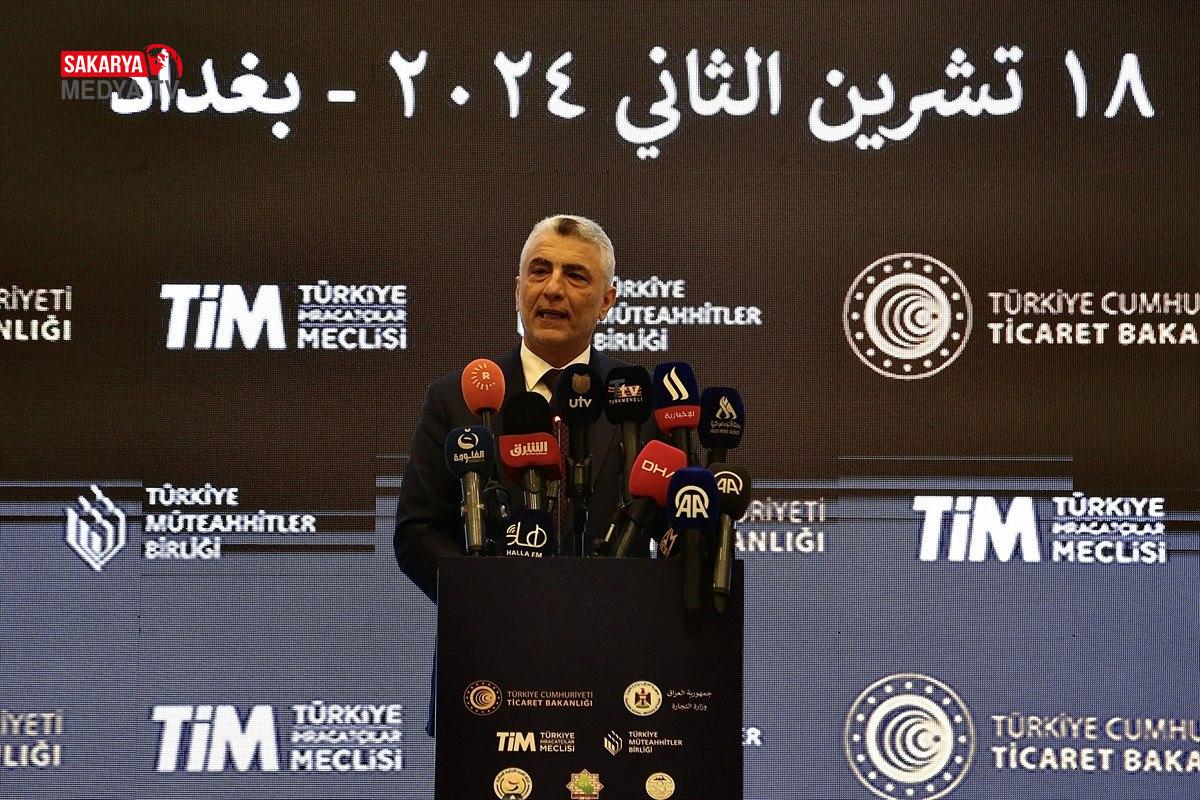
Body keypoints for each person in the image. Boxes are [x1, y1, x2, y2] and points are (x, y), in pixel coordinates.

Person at [393, 214, 640, 603]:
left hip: (613, 627)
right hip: (492, 628)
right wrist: (488, 600)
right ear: (518, 289)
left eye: (575, 276)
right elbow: (418, 531)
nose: (552, 289)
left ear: (606, 302)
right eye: (539, 271)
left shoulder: (638, 401)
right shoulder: (454, 398)